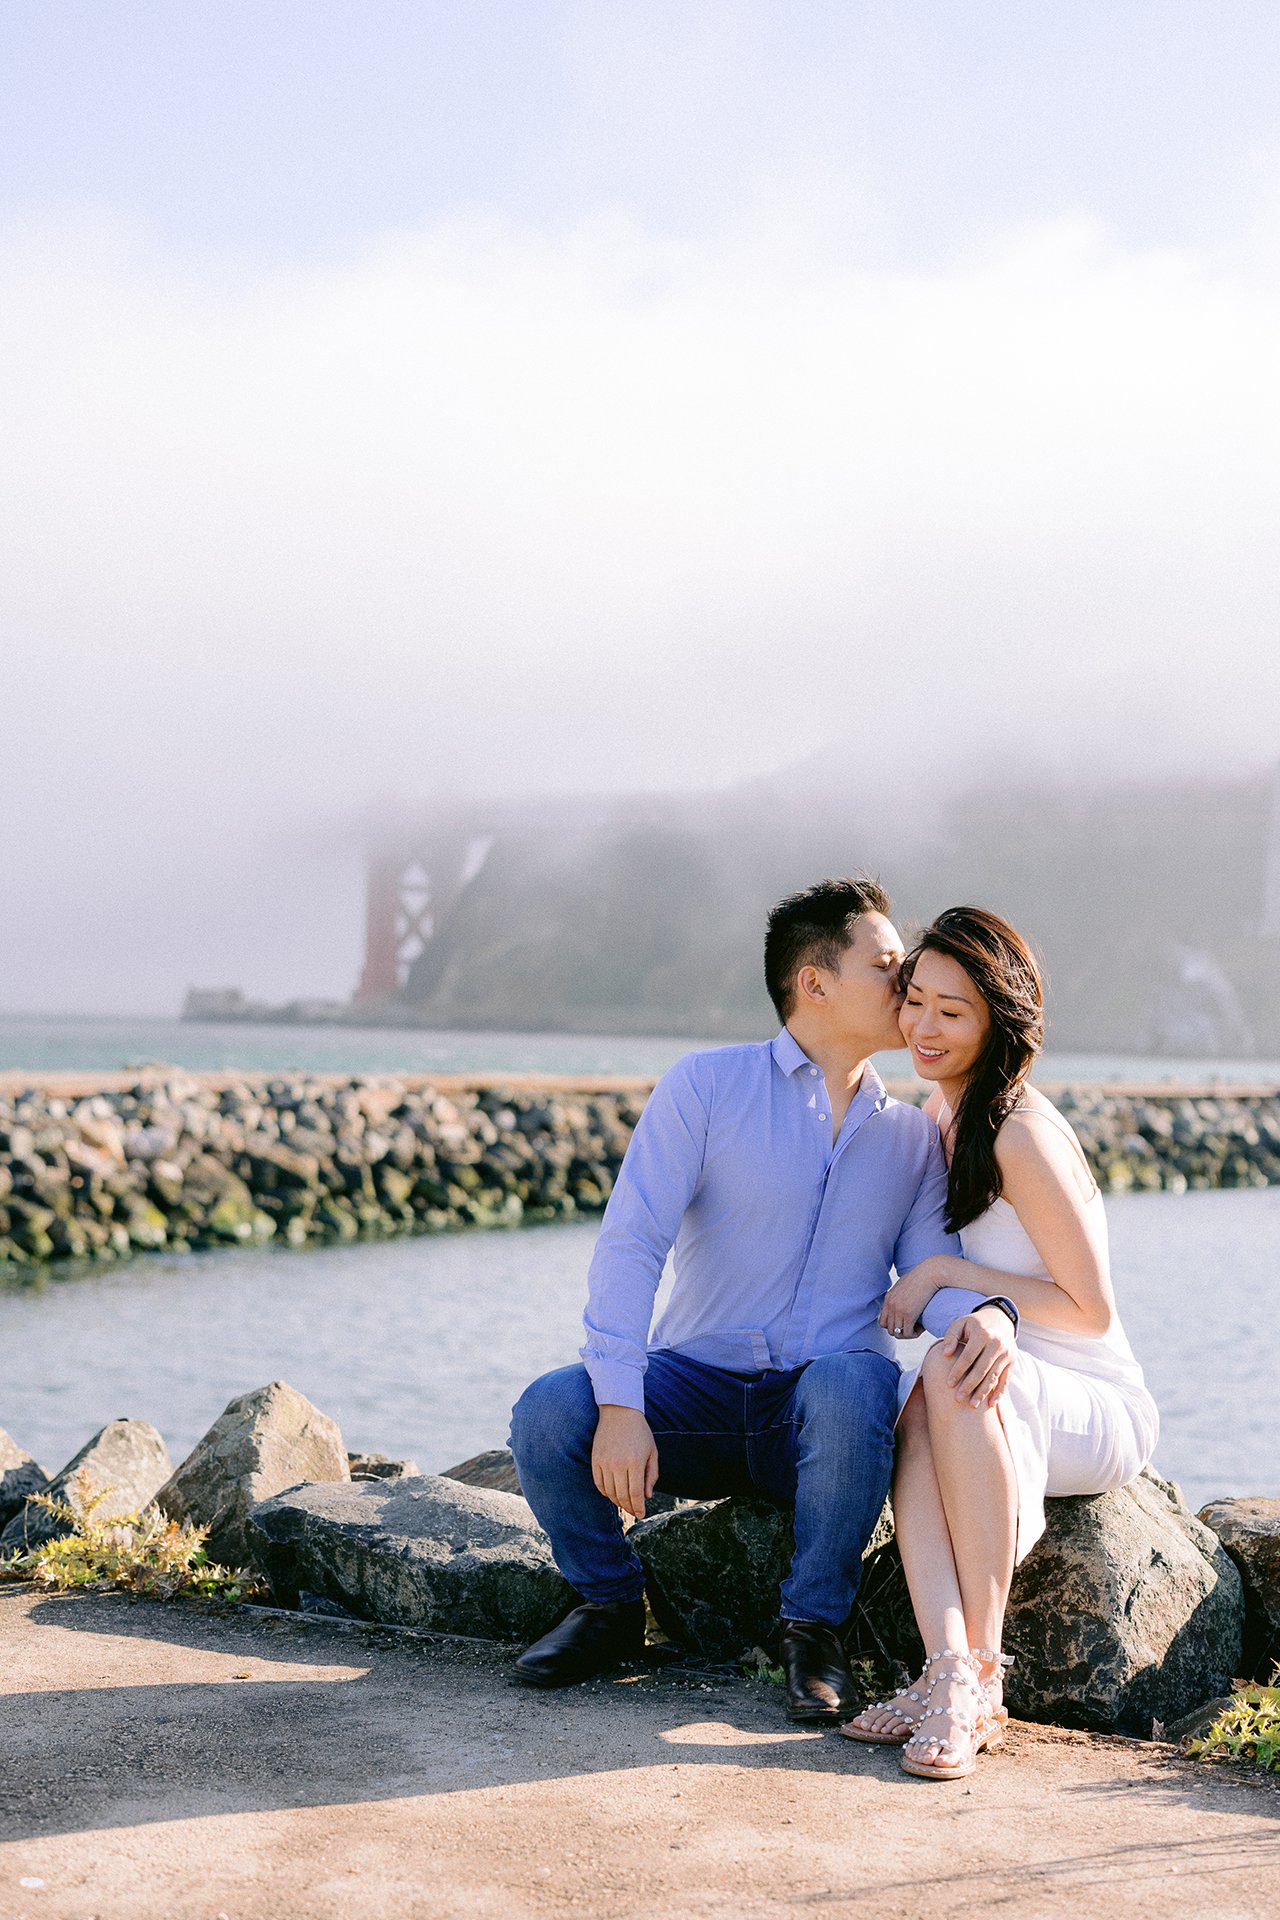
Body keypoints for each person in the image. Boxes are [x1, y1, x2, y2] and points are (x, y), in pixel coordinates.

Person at [509, 878, 1019, 1718]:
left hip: (817, 1420)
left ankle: (811, 1631)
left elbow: (933, 1271)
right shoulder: (706, 1087)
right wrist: (621, 1401)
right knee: (547, 1413)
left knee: (858, 1380)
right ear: (814, 983)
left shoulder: (909, 1136)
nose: (910, 986)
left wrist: (986, 1319)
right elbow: (632, 1244)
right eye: (890, 967)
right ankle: (609, 1605)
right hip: (695, 1395)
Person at [841, 906, 1159, 1780]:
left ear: (997, 1021)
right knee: (918, 1408)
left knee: (955, 1376)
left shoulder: (1015, 1129)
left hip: (1097, 1399)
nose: (922, 1027)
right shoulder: (944, 1111)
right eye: (915, 1002)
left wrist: (955, 1279)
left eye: (953, 1010)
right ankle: (945, 1668)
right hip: (1013, 1371)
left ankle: (980, 1677)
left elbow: (1089, 1310)